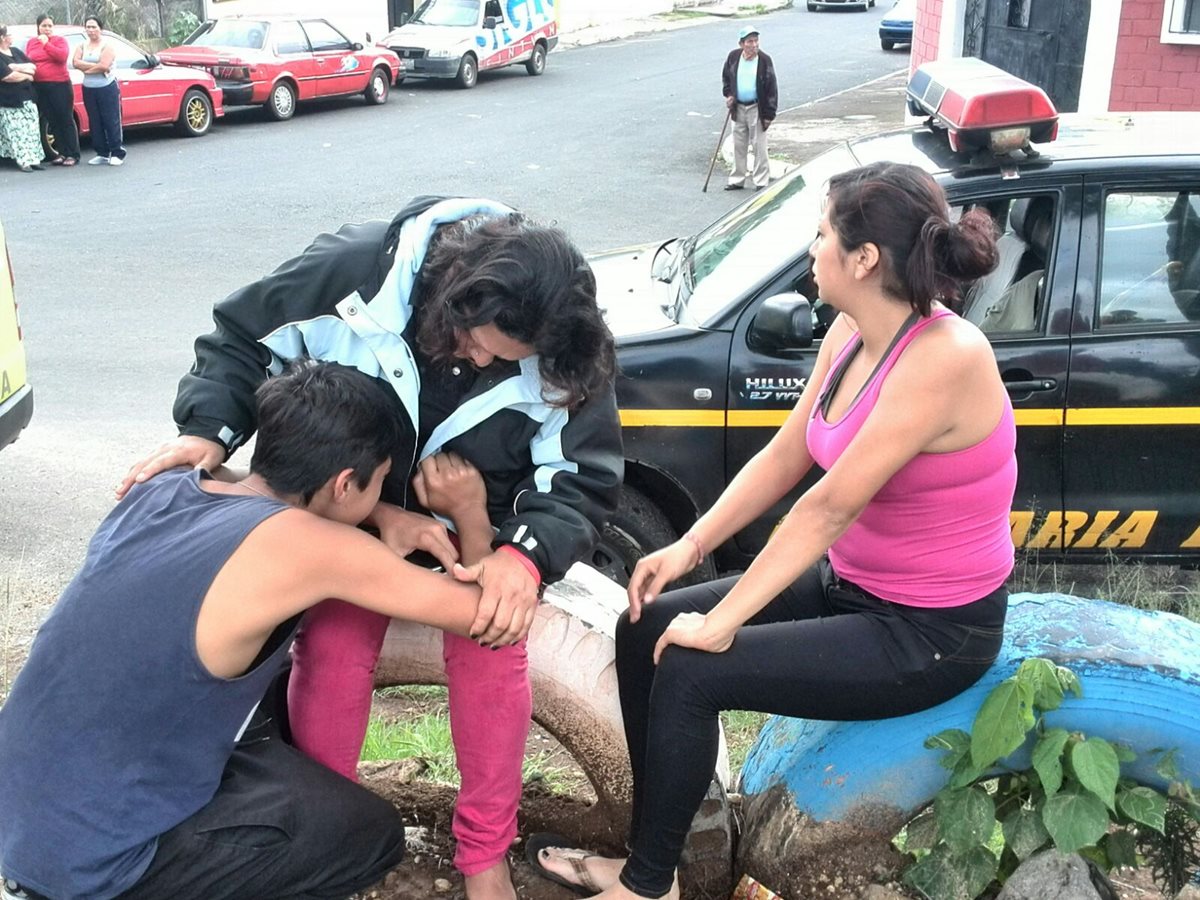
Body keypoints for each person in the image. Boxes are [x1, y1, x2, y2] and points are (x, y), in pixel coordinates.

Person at [528, 162, 1013, 900]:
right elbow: (788, 454)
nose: (812, 249)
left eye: (821, 234)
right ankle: (663, 849)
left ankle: (649, 885)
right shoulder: (851, 334)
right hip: (854, 586)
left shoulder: (944, 357)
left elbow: (828, 508)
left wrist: (721, 620)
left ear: (863, 258)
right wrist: (686, 548)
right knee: (645, 623)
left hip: (929, 630)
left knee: (693, 665)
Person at [117, 197, 623, 900]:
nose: (482, 361)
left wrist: (526, 557)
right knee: (332, 648)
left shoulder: (561, 343)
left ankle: (485, 859)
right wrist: (210, 428)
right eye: (478, 343)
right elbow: (240, 338)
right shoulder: (350, 274)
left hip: (479, 536)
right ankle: (323, 837)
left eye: (507, 361)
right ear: (451, 296)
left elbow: (584, 477)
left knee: (494, 649)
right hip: (350, 525)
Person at [0, 361, 493, 900]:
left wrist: (378, 515)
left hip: (21, 816)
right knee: (368, 834)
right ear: (345, 483)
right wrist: (470, 516)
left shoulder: (162, 488)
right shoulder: (313, 546)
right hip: (95, 865)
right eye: (378, 483)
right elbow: (479, 616)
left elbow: (248, 488)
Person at [721, 25, 777, 192]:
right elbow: (726, 78)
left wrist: (768, 115)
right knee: (739, 144)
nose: (754, 45)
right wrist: (729, 94)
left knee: (759, 146)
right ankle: (737, 179)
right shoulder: (733, 57)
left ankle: (761, 181)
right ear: (741, 44)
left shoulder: (764, 60)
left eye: (756, 41)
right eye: (749, 41)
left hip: (756, 108)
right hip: (738, 107)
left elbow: (772, 88)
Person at [25, 14, 80, 167]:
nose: (47, 29)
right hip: (40, 86)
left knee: (65, 119)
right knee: (52, 120)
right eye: (44, 26)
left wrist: (46, 43)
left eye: (50, 26)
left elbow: (61, 57)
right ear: (38, 27)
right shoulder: (31, 43)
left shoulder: (59, 41)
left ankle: (73, 153)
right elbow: (28, 59)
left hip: (60, 85)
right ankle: (61, 153)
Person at [72, 16, 125, 166]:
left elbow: (104, 66)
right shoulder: (82, 45)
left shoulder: (107, 45)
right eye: (88, 27)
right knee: (95, 121)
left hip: (106, 87)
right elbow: (75, 62)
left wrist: (86, 68)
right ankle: (102, 152)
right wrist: (92, 68)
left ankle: (117, 152)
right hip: (89, 88)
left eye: (94, 27)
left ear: (100, 29)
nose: (90, 30)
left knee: (111, 120)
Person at [0, 24, 43, 173]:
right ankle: (23, 161)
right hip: (10, 101)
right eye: (10, 34)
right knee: (18, 133)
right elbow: (7, 77)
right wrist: (26, 75)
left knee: (31, 130)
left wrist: (14, 66)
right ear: (3, 37)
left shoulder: (16, 52)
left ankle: (34, 159)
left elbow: (33, 67)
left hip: (28, 97)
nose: (12, 37)